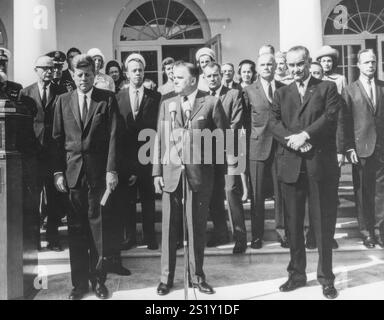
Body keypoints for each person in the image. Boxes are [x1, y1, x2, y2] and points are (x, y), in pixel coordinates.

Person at [268, 46, 342, 299]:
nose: (296, 70)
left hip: (318, 165)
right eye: (292, 65)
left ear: (308, 62)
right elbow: (273, 123)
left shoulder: (326, 88)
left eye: (300, 64)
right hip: (291, 165)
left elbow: (331, 117)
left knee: (322, 225)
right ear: (286, 66)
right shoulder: (281, 93)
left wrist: (305, 135)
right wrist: (293, 139)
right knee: (293, 225)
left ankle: (326, 278)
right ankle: (297, 274)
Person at [153, 60, 230, 296]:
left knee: (196, 228)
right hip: (171, 176)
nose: (174, 80)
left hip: (199, 178)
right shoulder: (167, 104)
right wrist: (156, 172)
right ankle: (166, 279)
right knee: (168, 229)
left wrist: (216, 178)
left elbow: (222, 143)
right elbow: (159, 138)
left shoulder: (210, 103)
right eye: (173, 77)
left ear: (193, 80)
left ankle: (197, 277)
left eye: (179, 77)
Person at [52, 54, 119, 300]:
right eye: (79, 74)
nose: (83, 79)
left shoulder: (107, 99)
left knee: (98, 230)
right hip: (72, 177)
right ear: (72, 75)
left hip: (98, 177)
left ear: (94, 75)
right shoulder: (62, 101)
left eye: (88, 74)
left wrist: (112, 170)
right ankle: (79, 284)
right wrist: (58, 172)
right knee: (76, 230)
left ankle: (98, 280)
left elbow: (114, 137)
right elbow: (57, 140)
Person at [19, 56, 67, 252]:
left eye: (52, 68)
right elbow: (22, 124)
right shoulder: (26, 93)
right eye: (45, 68)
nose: (49, 71)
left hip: (54, 153)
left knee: (54, 199)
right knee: (32, 198)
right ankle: (33, 240)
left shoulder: (61, 92)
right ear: (36, 69)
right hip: (33, 154)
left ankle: (53, 239)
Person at [243, 53, 288, 249]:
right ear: (258, 68)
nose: (267, 67)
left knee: (281, 194)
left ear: (276, 65)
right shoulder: (248, 91)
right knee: (257, 195)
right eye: (263, 65)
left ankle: (283, 233)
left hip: (279, 148)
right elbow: (244, 122)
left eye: (270, 64)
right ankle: (257, 236)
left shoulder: (284, 89)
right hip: (257, 148)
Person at [116, 53, 160, 251]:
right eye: (134, 71)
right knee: (127, 202)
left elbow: (157, 130)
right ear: (127, 73)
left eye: (141, 70)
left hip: (148, 157)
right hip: (126, 160)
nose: (138, 74)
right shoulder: (118, 98)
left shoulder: (155, 97)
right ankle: (130, 237)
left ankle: (150, 236)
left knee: (149, 200)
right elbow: (118, 133)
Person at [341, 49, 384, 248]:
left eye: (373, 62)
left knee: (380, 192)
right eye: (366, 62)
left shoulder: (382, 87)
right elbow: (345, 122)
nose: (370, 66)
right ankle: (366, 232)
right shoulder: (350, 90)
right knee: (362, 192)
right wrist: (348, 148)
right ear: (358, 65)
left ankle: (379, 231)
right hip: (361, 149)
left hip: (381, 149)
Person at [204, 62, 246, 254]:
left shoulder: (233, 94)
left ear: (221, 75)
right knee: (214, 195)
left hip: (230, 151)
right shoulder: (203, 98)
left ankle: (240, 237)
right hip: (209, 154)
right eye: (209, 76)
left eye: (215, 75)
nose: (212, 79)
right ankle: (221, 233)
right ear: (204, 78)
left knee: (231, 193)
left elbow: (236, 123)